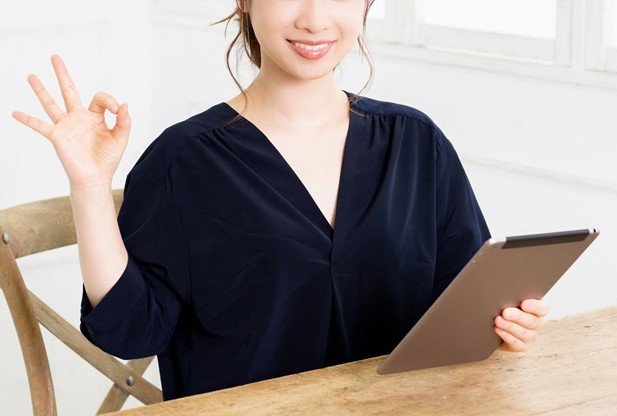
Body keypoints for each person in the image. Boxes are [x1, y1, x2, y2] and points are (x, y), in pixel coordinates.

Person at [13, 0, 549, 401]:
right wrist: (88, 186)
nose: (315, 20)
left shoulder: (415, 142)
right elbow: (131, 330)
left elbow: (463, 303)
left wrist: (504, 322)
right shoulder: (182, 161)